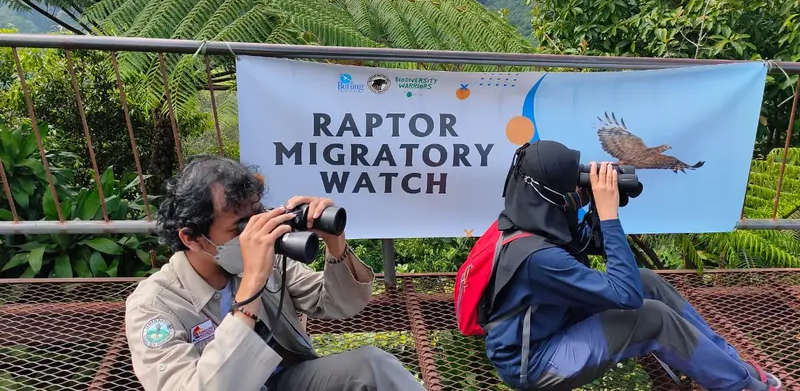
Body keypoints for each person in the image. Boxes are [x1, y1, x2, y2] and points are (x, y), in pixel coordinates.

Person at [483, 140, 782, 391]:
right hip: (535, 362)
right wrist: (609, 213)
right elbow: (625, 296)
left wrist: (593, 207)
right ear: (550, 193)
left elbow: (591, 244)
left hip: (556, 323)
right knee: (652, 317)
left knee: (645, 280)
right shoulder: (536, 256)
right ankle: (737, 384)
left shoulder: (528, 217)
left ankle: (727, 361)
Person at [124, 155, 425, 391]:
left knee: (373, 366)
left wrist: (335, 244)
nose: (256, 234)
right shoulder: (154, 305)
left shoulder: (262, 259)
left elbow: (338, 304)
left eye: (259, 217)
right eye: (241, 228)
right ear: (191, 237)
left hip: (284, 381)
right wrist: (252, 286)